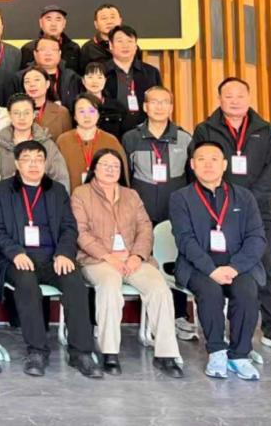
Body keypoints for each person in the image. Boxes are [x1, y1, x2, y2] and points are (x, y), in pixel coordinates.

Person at [192, 76, 271, 353]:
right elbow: (199, 168)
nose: (234, 101)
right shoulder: (206, 130)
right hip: (215, 211)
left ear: (248, 98)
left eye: (240, 96)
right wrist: (221, 202)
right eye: (228, 96)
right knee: (215, 267)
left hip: (256, 213)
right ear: (219, 99)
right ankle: (222, 331)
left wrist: (246, 203)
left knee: (265, 267)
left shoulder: (265, 131)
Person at [0, 141, 101, 378]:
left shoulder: (57, 191)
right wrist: (16, 253)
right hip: (17, 258)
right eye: (27, 159)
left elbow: (69, 227)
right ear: (17, 164)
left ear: (45, 163)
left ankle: (80, 352)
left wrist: (63, 253)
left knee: (75, 283)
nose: (33, 164)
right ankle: (37, 350)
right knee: (27, 283)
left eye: (38, 159)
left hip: (53, 257)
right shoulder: (0, 191)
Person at [71, 148, 183, 378]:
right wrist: (108, 256)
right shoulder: (81, 194)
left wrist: (137, 256)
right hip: (97, 260)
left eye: (115, 166)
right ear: (94, 169)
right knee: (110, 286)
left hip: (133, 259)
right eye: (105, 165)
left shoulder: (131, 195)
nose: (111, 169)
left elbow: (145, 228)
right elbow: (80, 232)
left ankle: (166, 354)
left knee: (160, 289)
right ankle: (109, 352)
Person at [169, 141, 266, 380]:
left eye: (214, 159)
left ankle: (239, 355)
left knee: (246, 291)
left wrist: (234, 267)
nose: (208, 164)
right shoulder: (180, 198)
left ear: (224, 164)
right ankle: (217, 352)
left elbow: (256, 238)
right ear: (192, 165)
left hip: (238, 265)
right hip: (198, 266)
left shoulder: (244, 197)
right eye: (201, 159)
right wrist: (211, 270)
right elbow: (185, 240)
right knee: (210, 291)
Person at [122, 86, 193, 225]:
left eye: (164, 102)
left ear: (171, 108)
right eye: (154, 102)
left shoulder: (185, 139)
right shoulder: (131, 138)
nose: (159, 107)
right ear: (145, 107)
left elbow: (192, 177)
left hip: (176, 210)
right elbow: (125, 177)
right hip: (140, 211)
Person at [0, 94, 70, 190]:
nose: (22, 117)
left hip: (41, 197)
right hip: (7, 197)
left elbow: (61, 178)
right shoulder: (1, 143)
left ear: (34, 114)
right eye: (16, 113)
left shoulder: (46, 144)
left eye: (26, 113)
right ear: (9, 115)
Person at [57, 94, 128, 192]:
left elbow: (123, 175)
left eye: (91, 111)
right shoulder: (63, 141)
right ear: (74, 116)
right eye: (81, 111)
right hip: (70, 196)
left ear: (98, 114)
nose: (87, 116)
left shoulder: (111, 141)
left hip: (104, 198)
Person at [103, 25, 161, 136]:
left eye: (130, 41)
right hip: (110, 132)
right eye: (120, 41)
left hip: (144, 133)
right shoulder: (102, 72)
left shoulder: (151, 72)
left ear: (135, 46)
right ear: (111, 45)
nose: (125, 45)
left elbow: (159, 101)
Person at [16, 36, 82, 109]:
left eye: (53, 50)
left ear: (60, 53)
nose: (48, 53)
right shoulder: (20, 78)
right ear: (35, 54)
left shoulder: (73, 78)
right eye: (43, 49)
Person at [78, 3, 141, 72]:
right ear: (96, 24)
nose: (109, 22)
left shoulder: (131, 47)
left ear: (120, 20)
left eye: (113, 17)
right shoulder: (88, 49)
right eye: (104, 18)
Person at [20, 4, 81, 73]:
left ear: (64, 23)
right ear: (40, 23)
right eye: (49, 19)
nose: (53, 24)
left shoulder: (73, 48)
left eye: (58, 19)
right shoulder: (28, 49)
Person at [21, 67, 72, 140]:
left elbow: (67, 141)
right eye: (27, 81)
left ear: (47, 84)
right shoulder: (17, 111)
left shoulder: (61, 112)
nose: (32, 84)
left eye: (37, 80)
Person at [81, 61, 126, 138]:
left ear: (105, 81)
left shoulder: (117, 107)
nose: (95, 81)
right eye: (90, 77)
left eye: (99, 77)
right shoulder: (77, 106)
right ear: (83, 81)